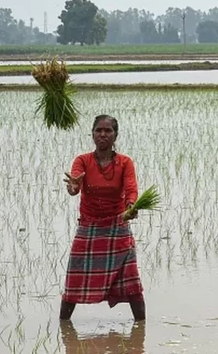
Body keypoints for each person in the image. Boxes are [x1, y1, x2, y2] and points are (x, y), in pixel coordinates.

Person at [60, 115, 146, 321]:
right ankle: (63, 326)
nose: (103, 134)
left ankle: (140, 330)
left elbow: (131, 189)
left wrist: (132, 207)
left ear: (115, 135)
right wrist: (73, 187)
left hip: (118, 225)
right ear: (92, 134)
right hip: (89, 225)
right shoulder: (82, 161)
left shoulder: (124, 162)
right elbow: (74, 185)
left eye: (108, 131)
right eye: (98, 130)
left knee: (131, 281)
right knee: (75, 279)